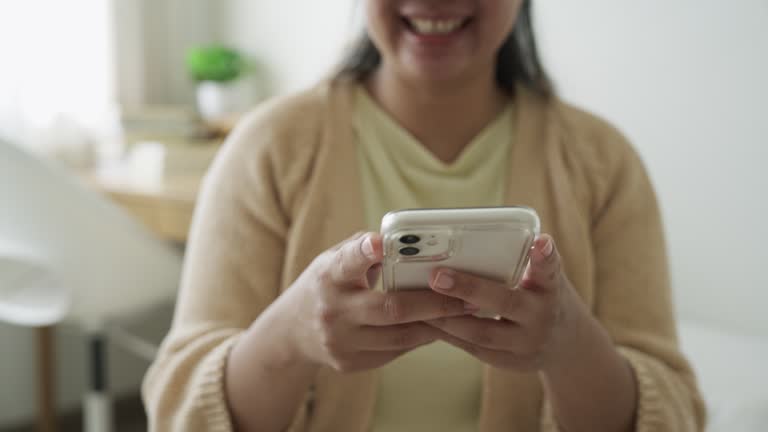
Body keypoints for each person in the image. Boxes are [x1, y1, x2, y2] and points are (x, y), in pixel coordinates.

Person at [143, 1, 706, 431]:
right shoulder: (266, 148)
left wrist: (569, 344)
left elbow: (674, 410)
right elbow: (178, 406)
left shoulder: (603, 161)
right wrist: (290, 336)